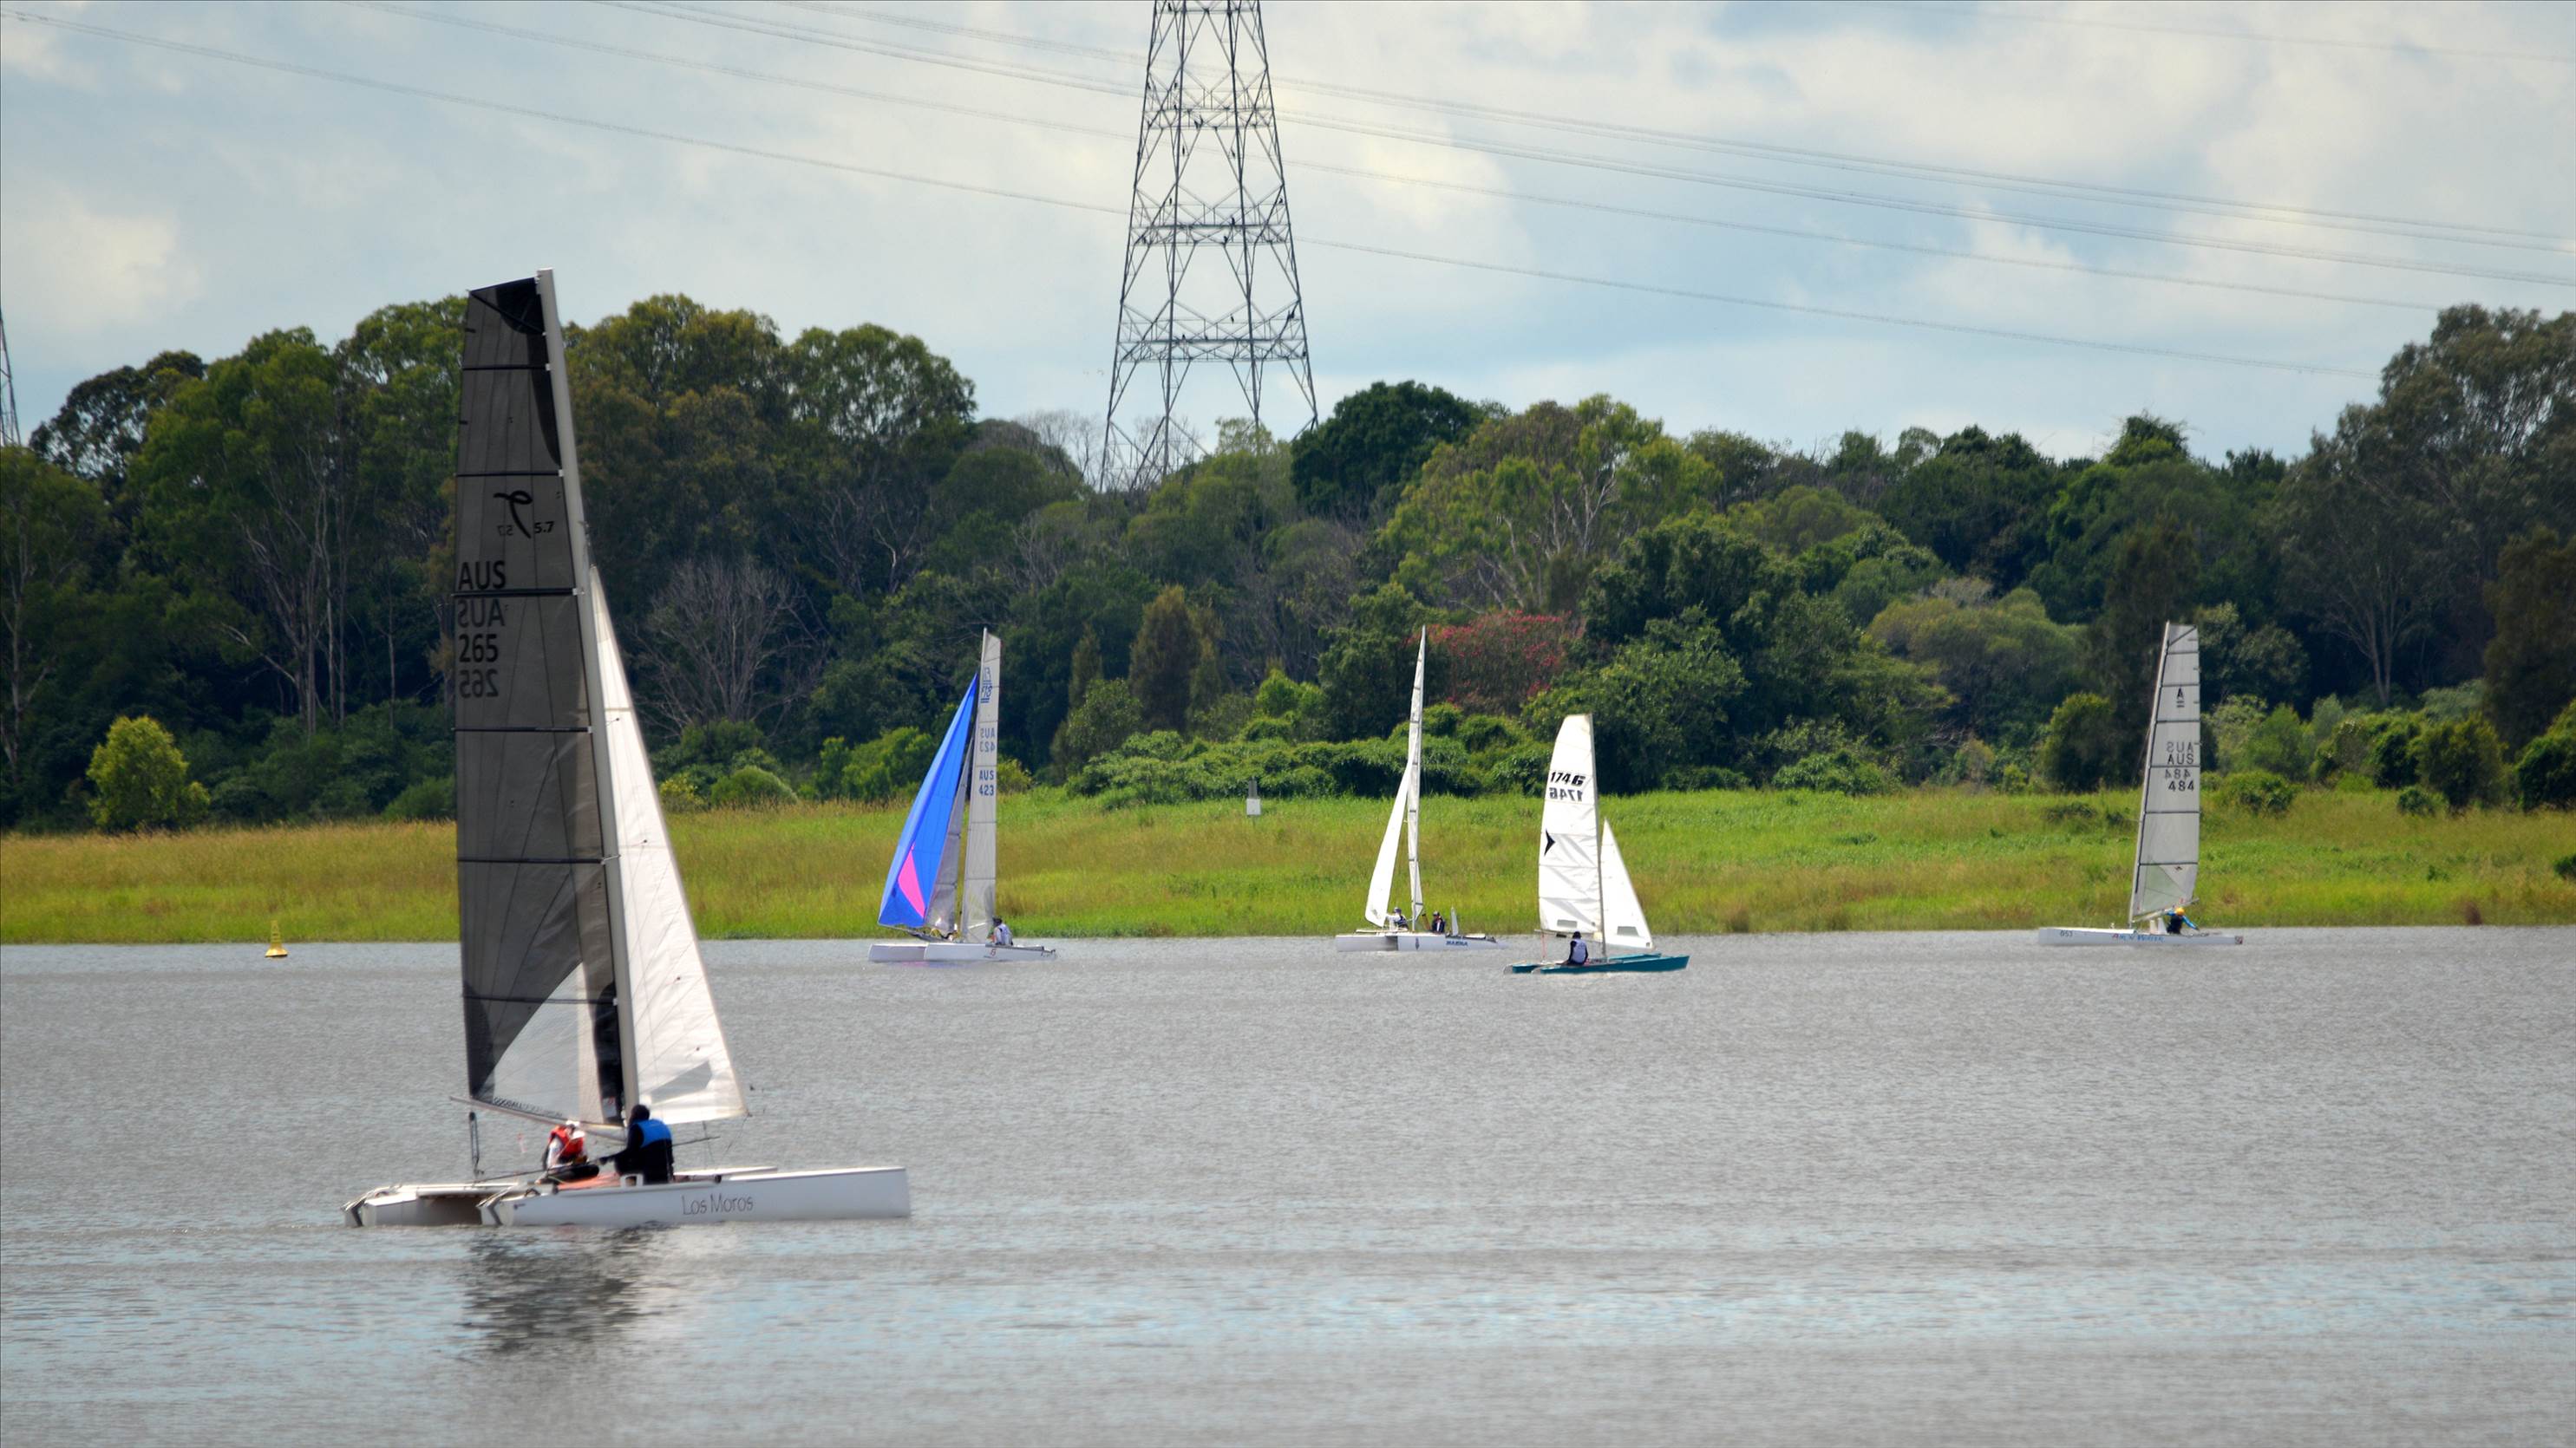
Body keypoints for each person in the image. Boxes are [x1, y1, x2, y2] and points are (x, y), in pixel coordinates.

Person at [610, 1103, 676, 1185]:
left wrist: (609, 1157)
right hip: (666, 1170)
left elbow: (629, 1153)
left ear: (634, 1116)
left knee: (619, 1159)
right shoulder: (660, 1123)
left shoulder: (637, 1128)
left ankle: (632, 1182)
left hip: (647, 1173)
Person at [545, 1119, 598, 1183]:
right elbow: (550, 1167)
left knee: (594, 1168)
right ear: (568, 1132)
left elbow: (585, 1159)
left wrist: (581, 1162)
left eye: (578, 1138)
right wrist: (567, 1166)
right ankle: (547, 1180)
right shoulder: (556, 1143)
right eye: (575, 1138)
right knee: (571, 1174)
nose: (576, 1140)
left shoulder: (580, 1141)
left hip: (575, 1167)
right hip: (559, 1170)